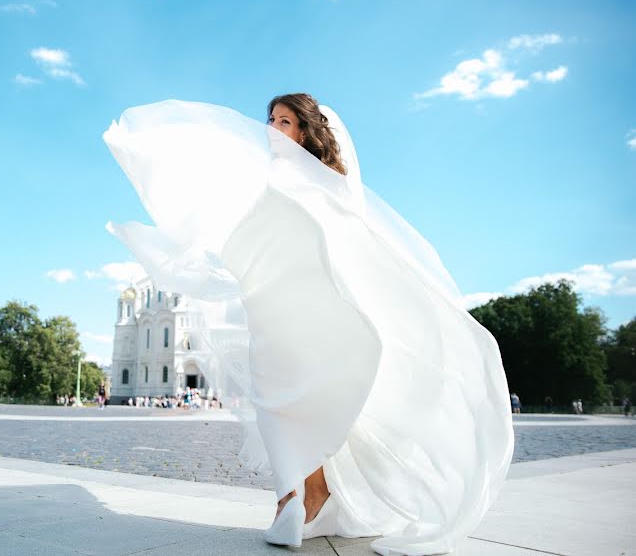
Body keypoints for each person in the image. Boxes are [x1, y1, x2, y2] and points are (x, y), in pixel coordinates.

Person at [103, 94, 514, 555]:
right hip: (267, 301)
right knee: (273, 400)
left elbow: (346, 245)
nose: (272, 128)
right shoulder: (259, 176)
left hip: (305, 304)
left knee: (287, 400)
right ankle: (308, 495)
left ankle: (295, 500)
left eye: (284, 121)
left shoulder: (323, 183)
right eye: (271, 119)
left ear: (305, 131)